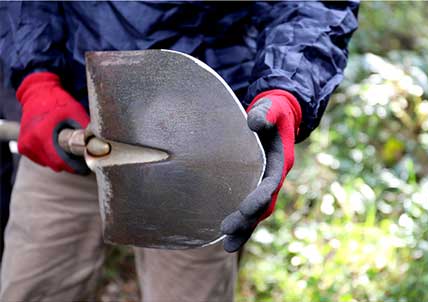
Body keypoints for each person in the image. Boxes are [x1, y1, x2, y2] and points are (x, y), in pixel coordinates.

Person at [0, 2, 358, 301]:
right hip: (72, 115)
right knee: (35, 285)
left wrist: (286, 90)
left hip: (198, 143)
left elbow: (309, 6)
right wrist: (37, 79)